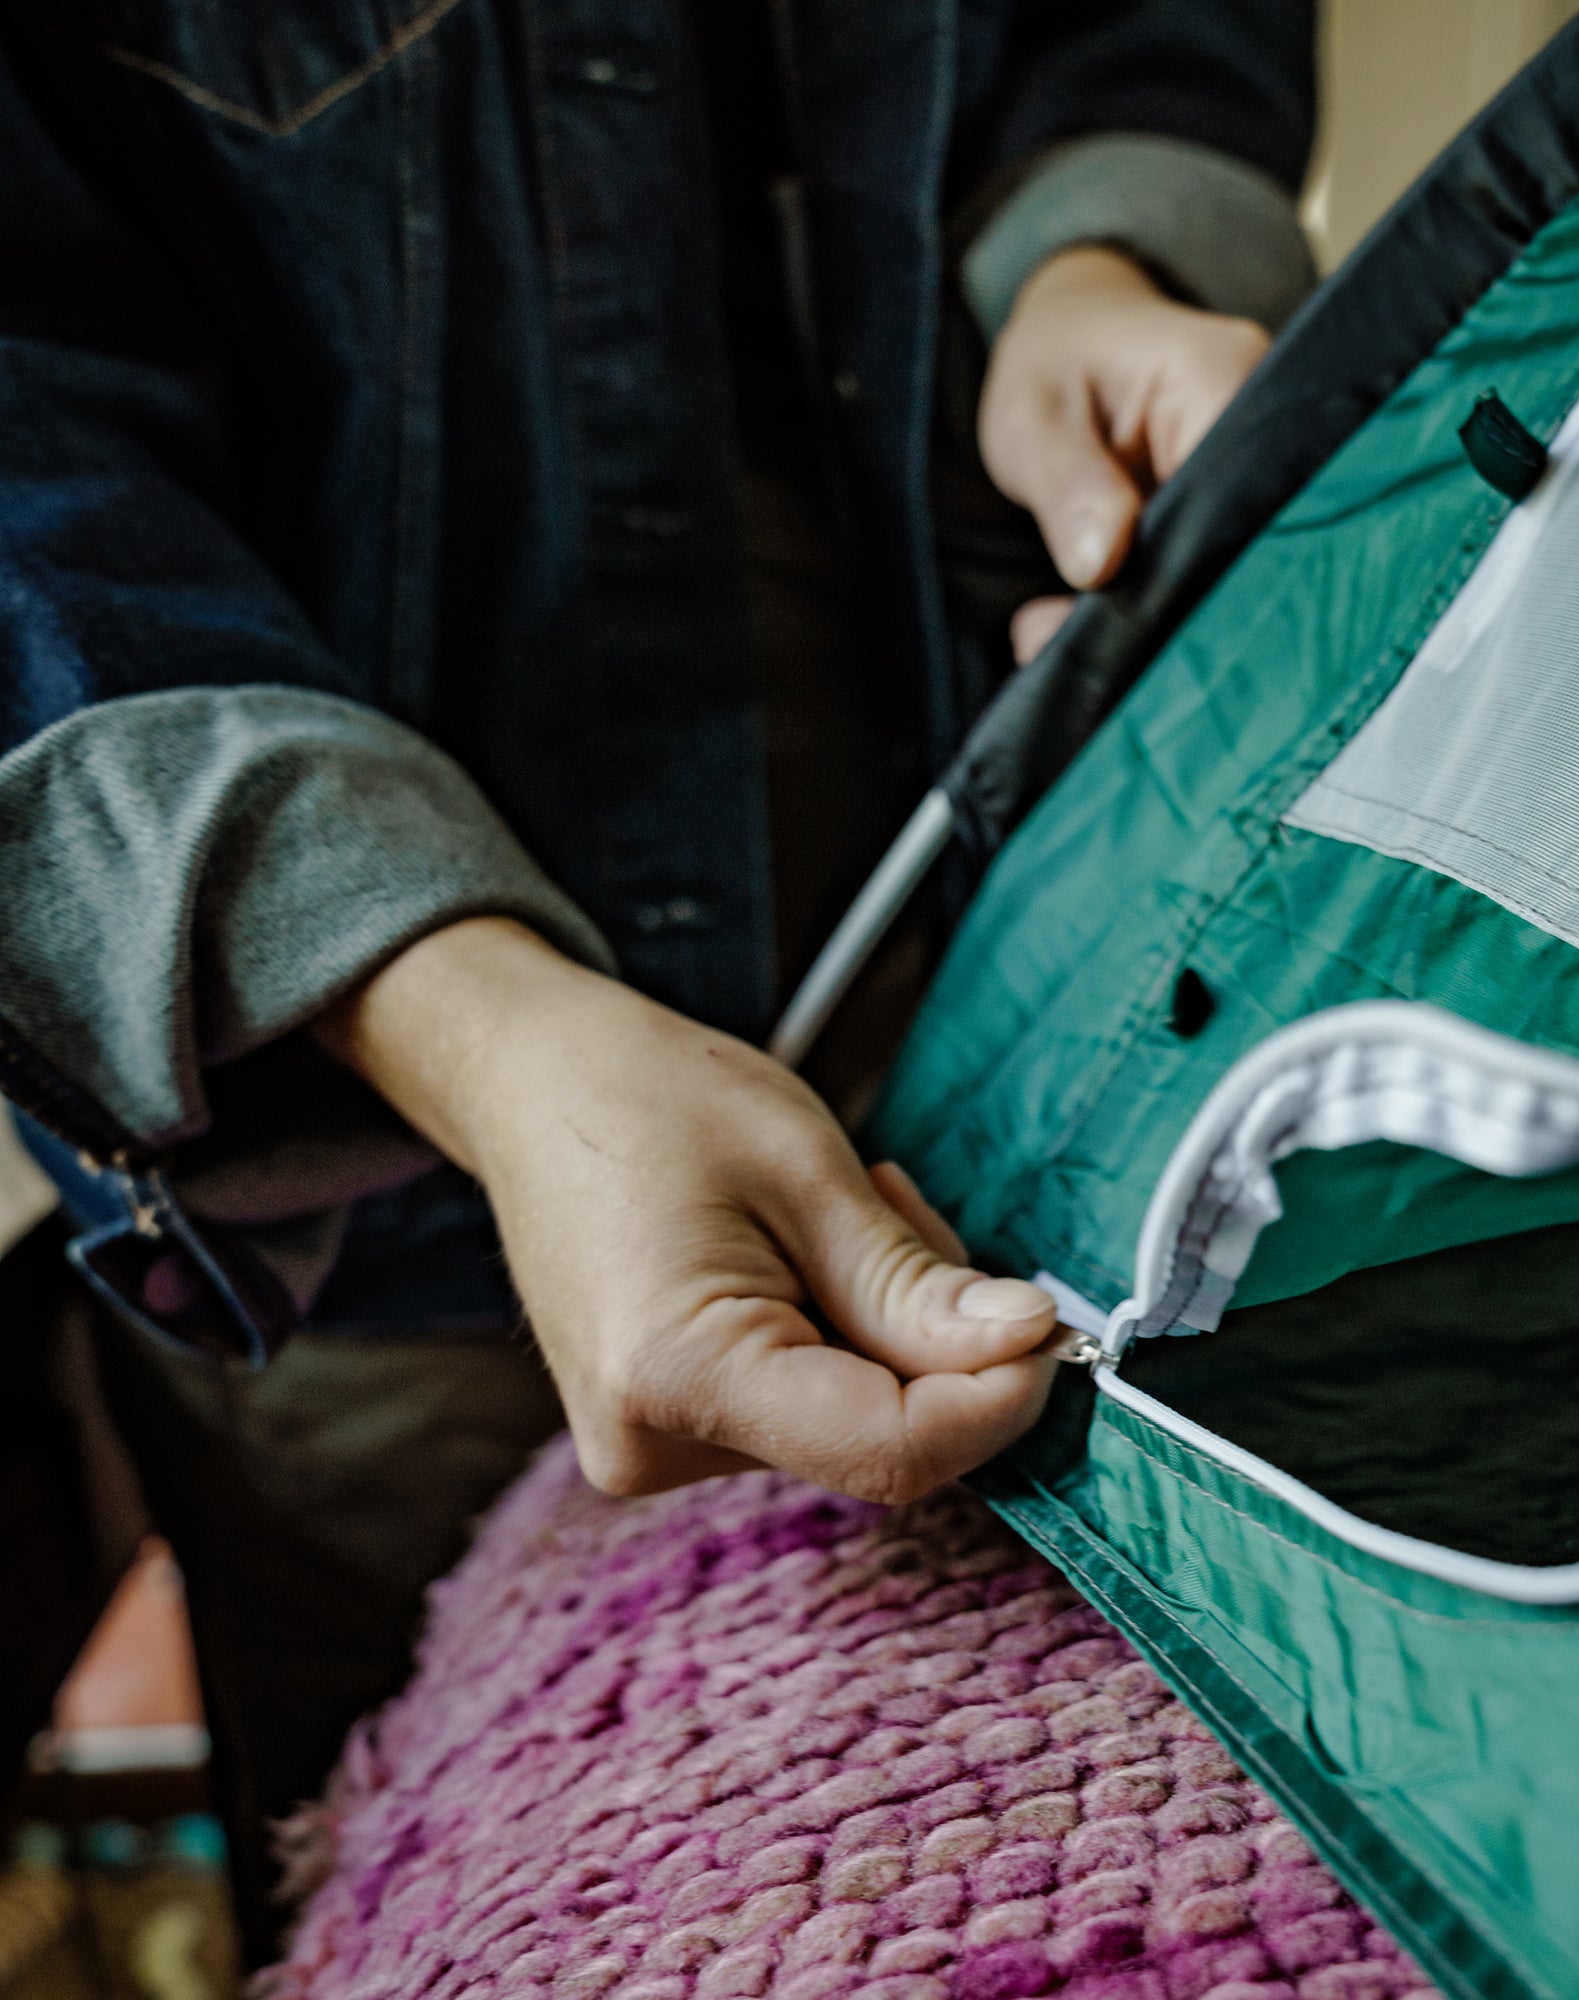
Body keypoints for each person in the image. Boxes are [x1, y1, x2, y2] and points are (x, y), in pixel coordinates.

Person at [0, 0, 1317, 1950]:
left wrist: (1094, 253)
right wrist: (474, 1028)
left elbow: (1142, 33)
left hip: (1074, 999)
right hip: (386, 1221)